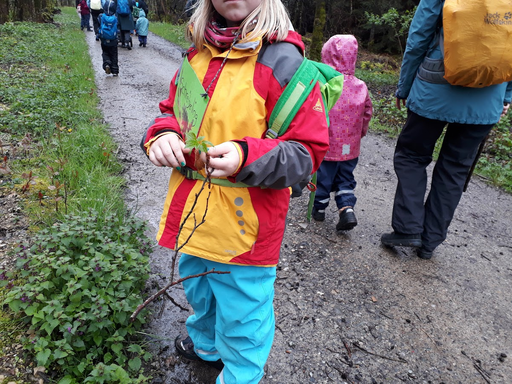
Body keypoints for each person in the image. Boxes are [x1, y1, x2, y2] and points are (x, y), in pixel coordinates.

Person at [140, 0, 329, 382]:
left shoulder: (284, 62)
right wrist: (161, 134)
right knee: (198, 289)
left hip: (247, 227)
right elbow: (170, 111)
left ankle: (240, 375)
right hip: (194, 213)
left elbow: (307, 151)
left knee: (243, 311)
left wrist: (247, 155)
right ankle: (207, 344)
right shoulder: (197, 54)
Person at [380, 0, 512, 259]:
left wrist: (404, 86)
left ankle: (408, 229)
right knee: (455, 169)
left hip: (433, 88)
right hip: (487, 97)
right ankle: (429, 241)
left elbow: (419, 36)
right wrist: (505, 95)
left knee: (411, 156)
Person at [311, 34, 372, 232]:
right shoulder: (360, 86)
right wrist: (359, 135)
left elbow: (314, 111)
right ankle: (346, 208)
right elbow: (367, 113)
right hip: (350, 146)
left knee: (323, 176)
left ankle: (318, 208)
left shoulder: (325, 83)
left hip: (326, 144)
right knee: (345, 177)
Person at [98, 0, 119, 76]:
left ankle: (107, 64)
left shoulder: (101, 16)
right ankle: (115, 70)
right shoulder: (115, 17)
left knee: (105, 52)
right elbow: (118, 27)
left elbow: (98, 26)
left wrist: (98, 35)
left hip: (104, 39)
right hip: (113, 39)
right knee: (114, 54)